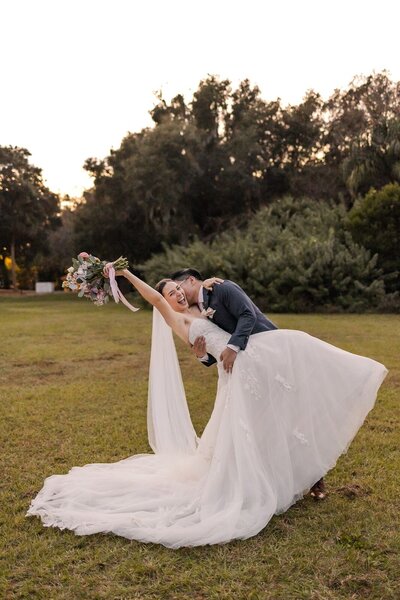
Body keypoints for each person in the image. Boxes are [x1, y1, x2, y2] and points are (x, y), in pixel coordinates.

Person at [26, 267, 388, 549]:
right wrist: (124, 274)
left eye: (178, 290)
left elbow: (235, 320)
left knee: (286, 419)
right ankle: (271, 483)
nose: (176, 296)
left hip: (260, 365)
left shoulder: (209, 304)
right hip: (238, 381)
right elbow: (166, 312)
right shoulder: (178, 320)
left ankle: (311, 475)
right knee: (254, 435)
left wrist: (210, 294)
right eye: (171, 294)